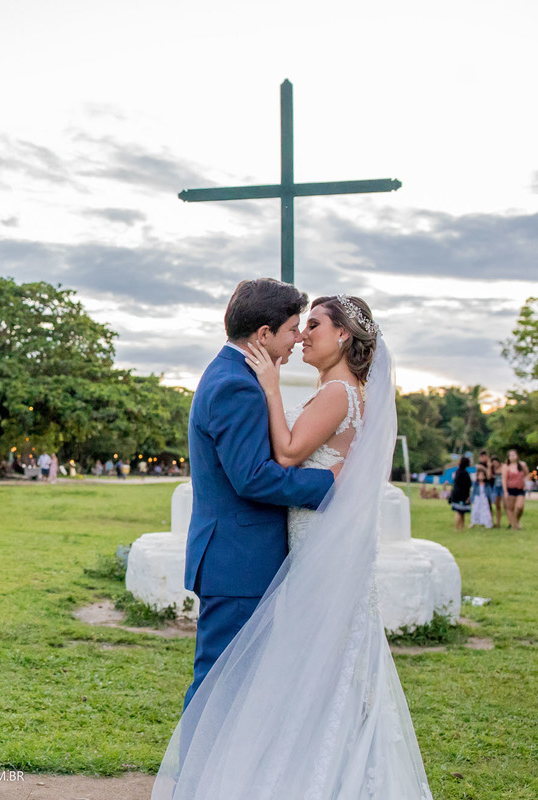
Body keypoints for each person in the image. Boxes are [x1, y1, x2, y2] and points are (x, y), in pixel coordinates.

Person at [154, 288, 432, 797]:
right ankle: (196, 784)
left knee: (255, 680)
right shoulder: (237, 384)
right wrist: (330, 484)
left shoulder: (264, 381)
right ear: (264, 334)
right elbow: (253, 476)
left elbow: (276, 459)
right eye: (292, 329)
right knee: (220, 683)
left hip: (271, 556)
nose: (298, 338)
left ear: (344, 335)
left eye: (310, 327)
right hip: (239, 561)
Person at [503, 449, 528, 529]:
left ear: (517, 456)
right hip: (511, 489)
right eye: (510, 455)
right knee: (511, 508)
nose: (512, 457)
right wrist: (505, 491)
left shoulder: (522, 465)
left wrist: (525, 482)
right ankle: (513, 525)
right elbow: (504, 479)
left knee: (520, 507)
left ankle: (516, 521)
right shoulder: (506, 467)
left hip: (520, 489)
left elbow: (527, 474)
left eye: (513, 455)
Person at [449, 457, 472, 530]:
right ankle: (457, 528)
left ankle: (460, 527)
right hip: (462, 495)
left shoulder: (458, 472)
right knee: (460, 511)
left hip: (457, 494)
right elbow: (468, 485)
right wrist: (468, 496)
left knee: (460, 511)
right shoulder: (465, 473)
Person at [490, 455, 505, 528]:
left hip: (503, 487)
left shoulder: (503, 467)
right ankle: (496, 523)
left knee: (505, 504)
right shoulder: (492, 469)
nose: (495, 464)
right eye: (493, 463)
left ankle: (500, 522)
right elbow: (489, 476)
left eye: (496, 462)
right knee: (497, 505)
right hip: (496, 488)